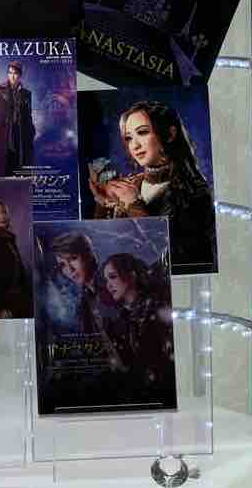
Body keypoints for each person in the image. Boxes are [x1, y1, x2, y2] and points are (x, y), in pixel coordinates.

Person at [87, 98, 217, 272]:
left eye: (142, 132)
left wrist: (134, 205)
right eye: (129, 138)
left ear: (170, 134)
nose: (135, 145)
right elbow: (105, 248)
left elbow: (171, 258)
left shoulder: (195, 192)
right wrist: (102, 204)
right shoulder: (133, 184)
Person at [101, 252, 175, 394]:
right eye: (106, 280)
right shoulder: (124, 317)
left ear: (132, 276)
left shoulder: (155, 307)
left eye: (113, 277)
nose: (108, 285)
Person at [0, 199, 31, 317]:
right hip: (4, 302)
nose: (2, 216)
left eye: (4, 212)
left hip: (17, 298)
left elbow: (18, 273)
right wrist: (1, 307)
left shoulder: (8, 238)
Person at [0, 62, 35, 175]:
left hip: (20, 133)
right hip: (3, 133)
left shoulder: (27, 93)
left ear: (20, 75)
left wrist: (31, 132)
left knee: (19, 165)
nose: (12, 76)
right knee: (2, 167)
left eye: (15, 73)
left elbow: (28, 115)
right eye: (10, 73)